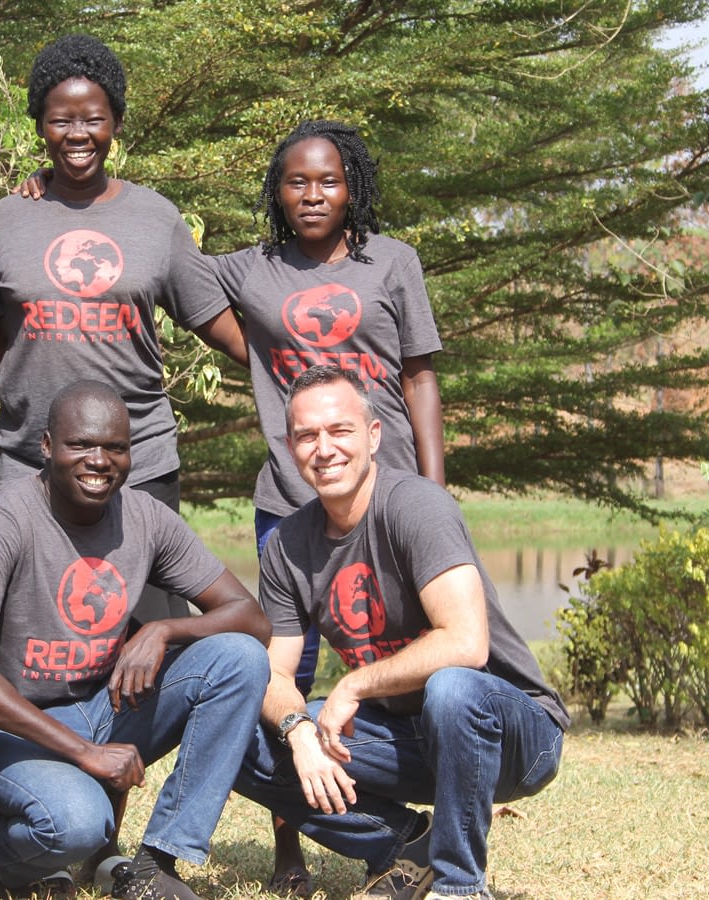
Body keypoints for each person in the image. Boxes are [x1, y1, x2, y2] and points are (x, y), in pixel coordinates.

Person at [211, 121, 446, 895]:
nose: (313, 195)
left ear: (354, 189)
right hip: (292, 502)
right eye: (296, 183)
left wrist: (435, 489)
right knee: (287, 677)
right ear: (276, 193)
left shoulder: (394, 261)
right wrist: (259, 354)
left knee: (406, 666)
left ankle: (422, 830)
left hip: (391, 499)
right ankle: (290, 851)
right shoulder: (250, 269)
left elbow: (418, 378)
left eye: (329, 181)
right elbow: (172, 281)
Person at [234, 367, 568, 900]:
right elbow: (273, 671)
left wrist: (353, 686)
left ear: (373, 436)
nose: (324, 449)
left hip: (512, 733)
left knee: (453, 686)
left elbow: (466, 641)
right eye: (307, 436)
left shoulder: (415, 505)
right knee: (243, 737)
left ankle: (459, 886)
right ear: (290, 448)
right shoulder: (287, 546)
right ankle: (409, 846)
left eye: (340, 430)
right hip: (409, 738)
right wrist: (299, 730)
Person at [0, 381, 271, 900]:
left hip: (101, 704)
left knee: (239, 658)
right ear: (47, 446)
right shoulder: (5, 518)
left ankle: (159, 860)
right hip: (10, 721)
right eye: (82, 446)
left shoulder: (145, 518)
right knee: (77, 824)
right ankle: (0, 845)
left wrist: (165, 628)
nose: (100, 461)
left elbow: (251, 619)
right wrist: (83, 753)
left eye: (115, 448)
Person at [0, 34, 248, 621]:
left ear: (115, 122)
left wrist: (304, 374)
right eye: (60, 120)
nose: (77, 135)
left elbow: (216, 324)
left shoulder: (155, 218)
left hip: (138, 461)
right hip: (29, 460)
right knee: (27, 628)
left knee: (150, 625)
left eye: (93, 119)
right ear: (40, 125)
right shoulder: (3, 221)